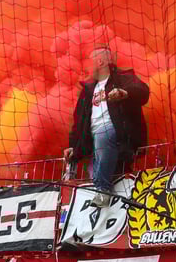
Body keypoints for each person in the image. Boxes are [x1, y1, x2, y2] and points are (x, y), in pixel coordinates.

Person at [64, 44, 150, 207]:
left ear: (100, 62)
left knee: (104, 134)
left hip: (117, 133)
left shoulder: (124, 78)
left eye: (89, 61)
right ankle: (115, 197)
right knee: (97, 170)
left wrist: (125, 93)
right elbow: (79, 121)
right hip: (93, 140)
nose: (86, 66)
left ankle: (103, 191)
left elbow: (143, 92)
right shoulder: (87, 90)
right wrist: (73, 146)